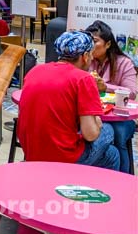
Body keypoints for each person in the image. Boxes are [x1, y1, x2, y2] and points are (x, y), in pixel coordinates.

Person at [17, 31, 120, 171]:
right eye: (90, 55)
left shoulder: (35, 71)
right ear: (85, 57)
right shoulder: (83, 79)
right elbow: (90, 134)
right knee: (110, 142)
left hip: (31, 152)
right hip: (64, 158)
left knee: (106, 151)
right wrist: (97, 122)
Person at [86, 20, 137, 173]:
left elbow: (132, 92)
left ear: (108, 44)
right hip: (95, 113)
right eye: (88, 41)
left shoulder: (124, 63)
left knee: (119, 134)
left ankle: (124, 180)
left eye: (95, 41)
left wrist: (106, 87)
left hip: (121, 116)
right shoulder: (86, 59)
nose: (90, 46)